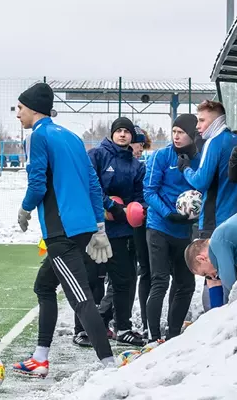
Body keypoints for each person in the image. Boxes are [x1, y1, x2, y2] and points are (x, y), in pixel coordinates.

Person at [12, 83, 115, 377]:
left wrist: (25, 208)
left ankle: (109, 365)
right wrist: (98, 226)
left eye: (20, 108)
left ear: (33, 109)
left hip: (61, 230)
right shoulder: (71, 136)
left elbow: (37, 184)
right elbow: (93, 183)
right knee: (44, 286)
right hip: (80, 228)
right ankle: (40, 358)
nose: (17, 114)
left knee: (80, 298)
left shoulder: (37, 136)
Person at [74, 116, 147, 347]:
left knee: (123, 280)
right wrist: (108, 207)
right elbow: (88, 185)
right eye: (119, 130)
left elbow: (139, 197)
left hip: (121, 231)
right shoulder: (97, 155)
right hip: (93, 228)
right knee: (90, 281)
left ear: (131, 136)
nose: (123, 134)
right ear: (112, 133)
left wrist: (135, 210)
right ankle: (83, 330)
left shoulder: (136, 166)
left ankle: (123, 328)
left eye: (127, 131)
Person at [144, 114, 201, 342]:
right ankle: (153, 336)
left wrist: (193, 216)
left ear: (193, 135)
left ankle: (173, 334)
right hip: (159, 226)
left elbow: (203, 187)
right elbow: (149, 191)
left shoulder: (200, 159)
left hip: (184, 230)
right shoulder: (161, 156)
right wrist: (168, 213)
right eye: (174, 131)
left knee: (186, 283)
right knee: (160, 280)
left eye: (182, 132)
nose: (176, 136)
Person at [178, 100, 237, 239]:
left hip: (214, 219)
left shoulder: (213, 142)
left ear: (216, 121)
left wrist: (185, 168)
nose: (197, 126)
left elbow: (200, 182)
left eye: (202, 120)